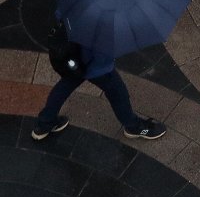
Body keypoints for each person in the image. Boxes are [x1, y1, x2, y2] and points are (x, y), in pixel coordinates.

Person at [32, 32, 166, 141]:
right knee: (118, 92)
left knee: (65, 86)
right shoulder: (106, 18)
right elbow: (103, 50)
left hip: (74, 57)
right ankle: (134, 126)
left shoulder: (77, 4)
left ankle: (45, 123)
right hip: (94, 64)